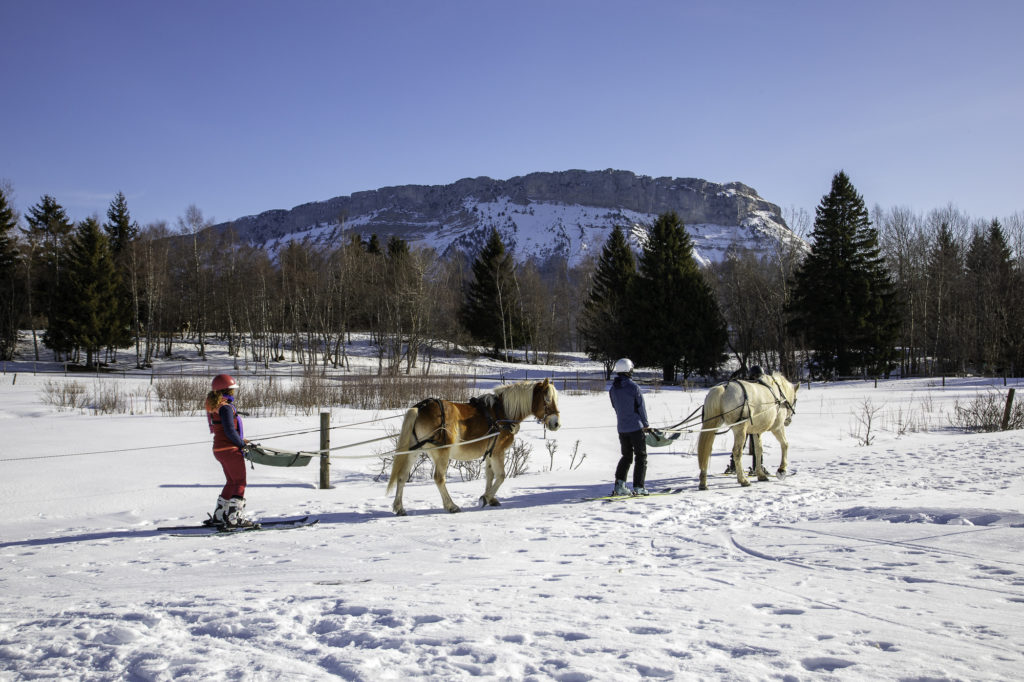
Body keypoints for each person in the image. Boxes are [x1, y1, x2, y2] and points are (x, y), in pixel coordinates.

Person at [204, 373, 257, 528]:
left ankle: (219, 515)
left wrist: (241, 440)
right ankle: (235, 518)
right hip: (230, 450)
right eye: (232, 389)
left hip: (220, 449)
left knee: (231, 481)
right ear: (227, 390)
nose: (234, 391)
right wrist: (241, 444)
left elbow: (223, 430)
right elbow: (229, 430)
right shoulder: (226, 407)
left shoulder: (215, 406)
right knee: (240, 482)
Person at [609, 358, 650, 496]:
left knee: (626, 456)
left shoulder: (613, 389)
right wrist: (645, 424)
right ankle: (639, 487)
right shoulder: (633, 387)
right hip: (636, 428)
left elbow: (616, 407)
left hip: (622, 429)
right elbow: (641, 407)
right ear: (628, 371)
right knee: (641, 456)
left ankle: (620, 485)